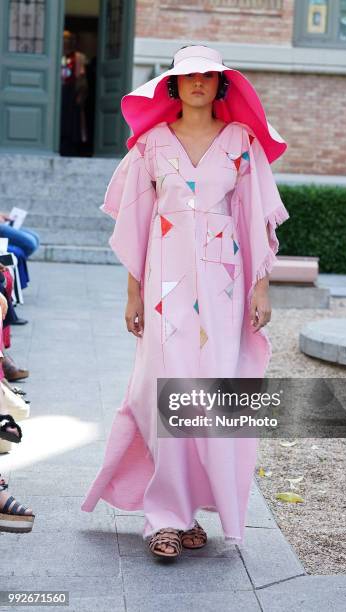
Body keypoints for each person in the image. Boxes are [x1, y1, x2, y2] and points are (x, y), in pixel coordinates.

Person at [81, 45, 290, 559]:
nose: (198, 82)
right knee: (160, 392)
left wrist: (261, 287)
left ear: (222, 85)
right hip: (162, 287)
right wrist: (131, 293)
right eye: (188, 76)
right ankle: (165, 518)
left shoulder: (241, 142)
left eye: (209, 76)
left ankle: (191, 508)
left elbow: (257, 218)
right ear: (173, 85)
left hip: (224, 286)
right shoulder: (150, 145)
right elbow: (133, 223)